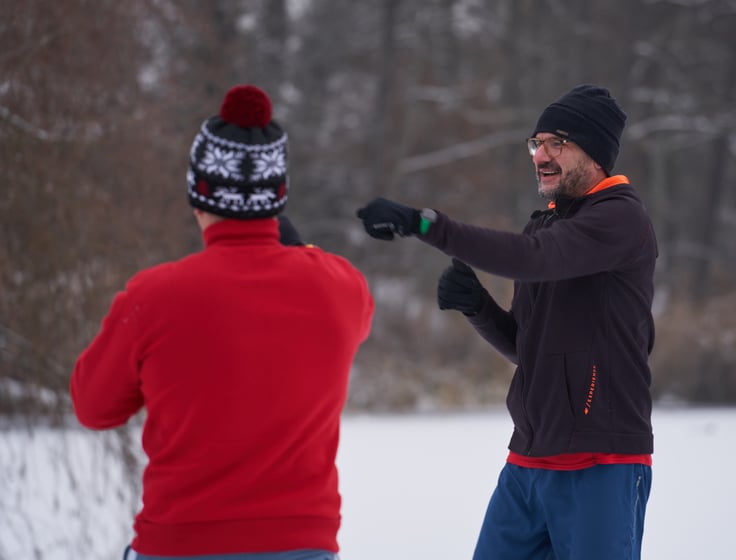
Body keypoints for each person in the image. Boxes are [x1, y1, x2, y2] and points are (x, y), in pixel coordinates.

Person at [71, 85, 374, 560]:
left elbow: (93, 406)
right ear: (278, 197)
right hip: (303, 547)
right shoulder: (344, 287)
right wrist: (298, 251)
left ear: (198, 194)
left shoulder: (152, 296)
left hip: (178, 545)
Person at [356, 84, 657, 560]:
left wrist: (428, 225)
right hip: (528, 460)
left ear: (596, 151)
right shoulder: (544, 224)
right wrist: (478, 307)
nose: (541, 155)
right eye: (536, 143)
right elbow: (527, 348)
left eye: (557, 142)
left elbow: (535, 259)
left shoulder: (620, 219)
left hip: (601, 460)